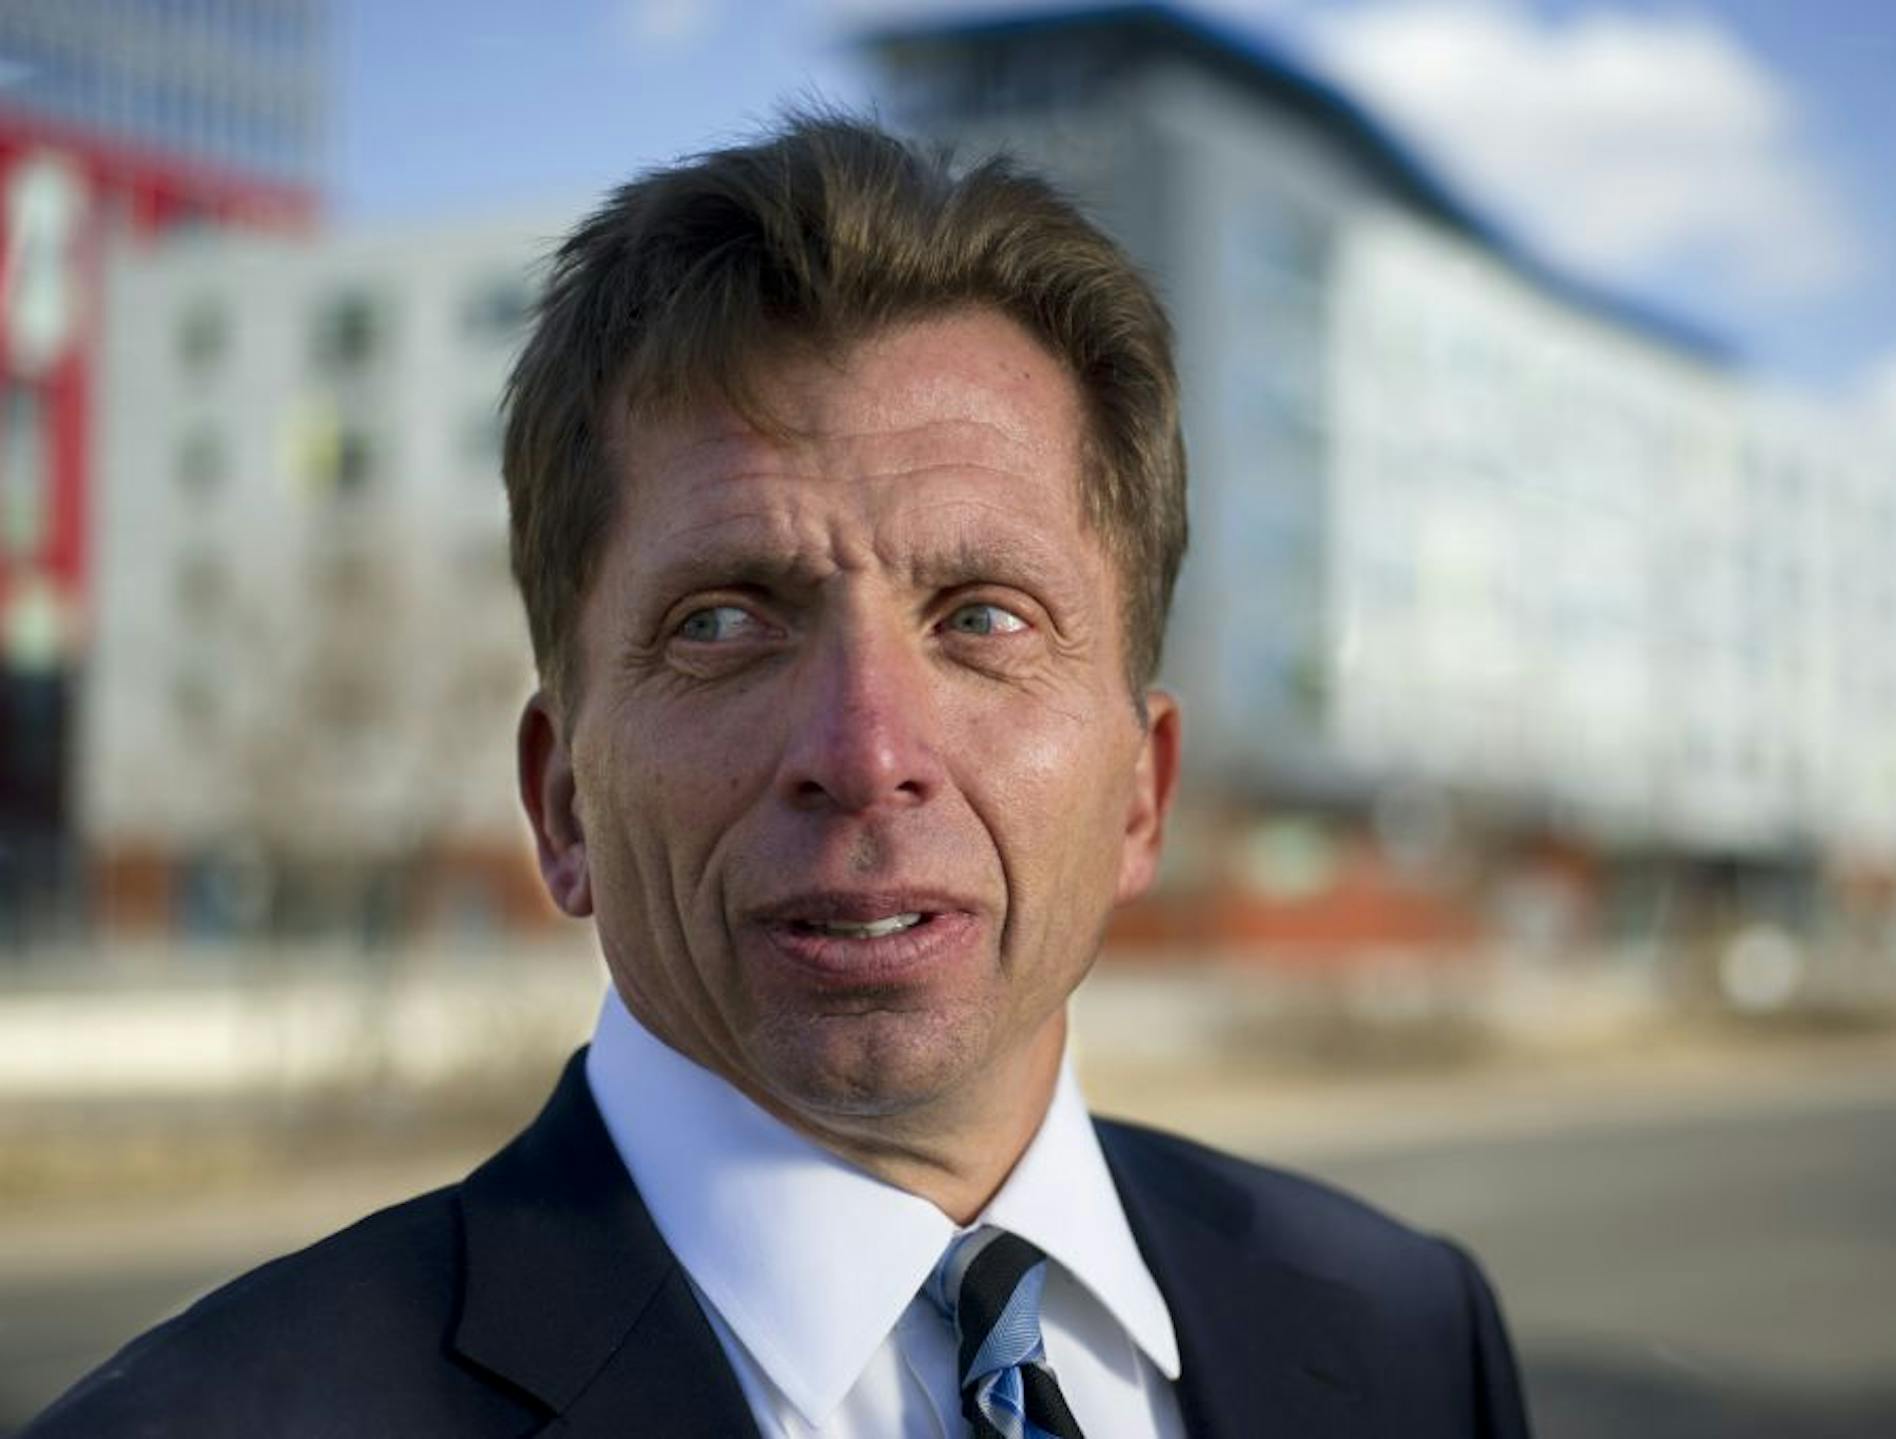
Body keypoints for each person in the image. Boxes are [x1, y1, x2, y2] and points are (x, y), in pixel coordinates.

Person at [26, 115, 1531, 1438]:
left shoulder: (1407, 1337)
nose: (867, 754)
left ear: (1144, 792)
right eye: (726, 622)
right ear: (561, 805)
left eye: (985, 617)